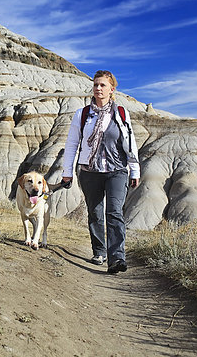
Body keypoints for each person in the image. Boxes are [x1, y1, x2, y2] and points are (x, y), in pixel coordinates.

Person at [61, 70, 140, 274]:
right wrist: (67, 171)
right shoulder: (83, 114)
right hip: (89, 170)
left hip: (117, 169)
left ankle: (117, 258)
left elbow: (130, 143)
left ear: (112, 89)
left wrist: (134, 170)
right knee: (95, 213)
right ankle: (99, 251)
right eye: (96, 85)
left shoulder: (121, 113)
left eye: (103, 85)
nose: (98, 88)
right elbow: (72, 144)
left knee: (114, 212)